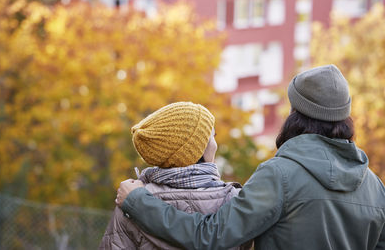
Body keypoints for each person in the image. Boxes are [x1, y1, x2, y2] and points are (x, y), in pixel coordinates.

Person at [115, 65, 385, 250]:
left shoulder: (279, 176)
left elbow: (210, 236)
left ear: (295, 114)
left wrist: (138, 202)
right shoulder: (376, 188)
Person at [99, 102, 252, 249]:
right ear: (197, 149)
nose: (215, 144)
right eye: (213, 136)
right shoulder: (234, 200)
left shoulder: (129, 201)